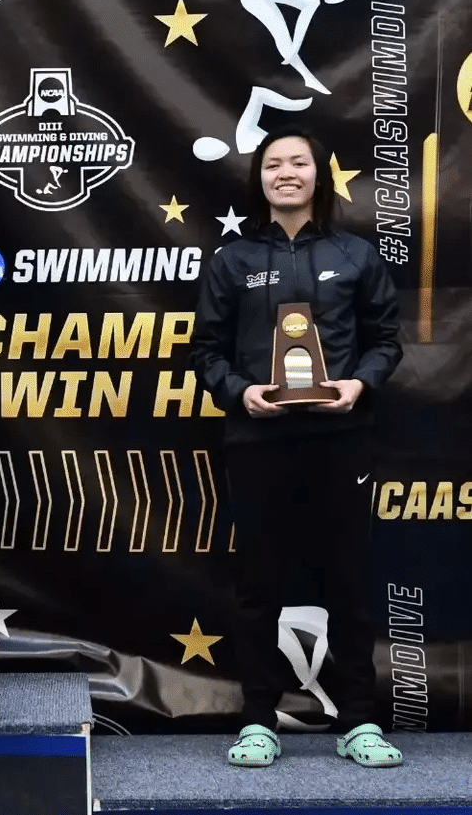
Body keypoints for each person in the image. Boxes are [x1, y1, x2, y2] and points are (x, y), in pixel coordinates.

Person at [191, 124, 403, 768]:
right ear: (259, 178)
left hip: (341, 439)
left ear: (319, 175)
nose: (286, 173)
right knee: (259, 584)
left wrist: (358, 385)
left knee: (348, 581)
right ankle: (259, 721)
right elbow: (206, 351)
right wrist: (240, 392)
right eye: (273, 164)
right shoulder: (232, 260)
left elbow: (386, 342)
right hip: (258, 439)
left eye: (299, 163)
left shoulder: (356, 254)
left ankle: (359, 721)